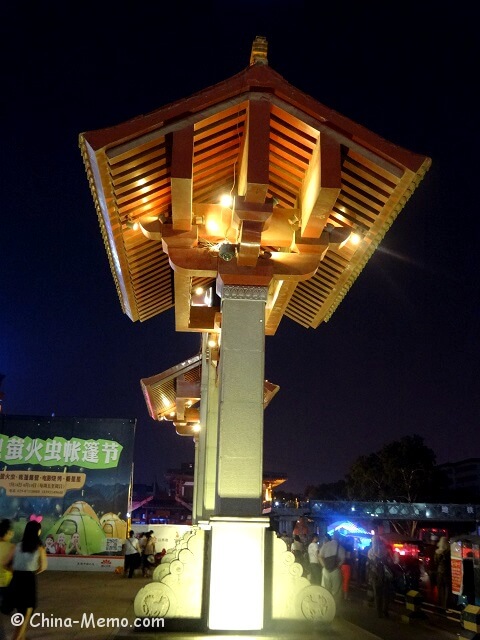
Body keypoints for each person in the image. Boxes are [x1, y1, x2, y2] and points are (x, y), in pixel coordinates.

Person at [2, 520, 47, 640]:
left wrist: (15, 571)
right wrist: (32, 572)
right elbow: (43, 567)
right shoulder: (39, 548)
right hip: (29, 581)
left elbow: (5, 563)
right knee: (25, 613)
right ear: (37, 531)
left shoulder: (17, 546)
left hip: (16, 580)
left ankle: (21, 637)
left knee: (21, 612)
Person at [367, 536, 394, 618]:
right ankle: (385, 611)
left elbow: (369, 564)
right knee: (385, 595)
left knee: (377, 595)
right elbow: (392, 561)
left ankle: (379, 612)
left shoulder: (370, 551)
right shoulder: (386, 550)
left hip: (375, 576)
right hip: (385, 576)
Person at [319, 531, 346, 607]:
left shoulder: (325, 545)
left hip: (325, 570)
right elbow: (343, 559)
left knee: (325, 589)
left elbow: (320, 556)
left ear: (332, 537)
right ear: (338, 538)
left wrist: (324, 566)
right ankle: (334, 608)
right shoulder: (340, 547)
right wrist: (337, 566)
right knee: (336, 591)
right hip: (335, 570)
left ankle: (325, 606)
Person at [434, 536, 451, 610]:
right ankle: (446, 604)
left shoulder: (437, 552)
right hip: (447, 572)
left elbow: (436, 562)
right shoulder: (448, 551)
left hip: (439, 572)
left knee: (440, 588)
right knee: (447, 588)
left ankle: (440, 603)